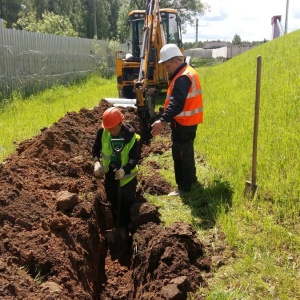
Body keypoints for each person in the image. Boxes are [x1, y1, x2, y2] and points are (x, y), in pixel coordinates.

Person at [151, 44, 203, 196]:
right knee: (186, 152)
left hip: (184, 123)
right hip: (188, 122)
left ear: (175, 61)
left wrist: (162, 120)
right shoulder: (187, 72)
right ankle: (191, 180)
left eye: (167, 66)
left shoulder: (182, 78)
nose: (167, 70)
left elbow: (177, 103)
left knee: (180, 154)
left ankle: (184, 188)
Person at [92, 106, 140, 248]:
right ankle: (116, 226)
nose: (111, 131)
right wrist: (96, 163)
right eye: (109, 128)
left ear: (121, 123)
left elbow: (134, 158)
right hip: (110, 177)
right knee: (113, 202)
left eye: (114, 128)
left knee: (126, 204)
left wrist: (125, 170)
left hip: (128, 178)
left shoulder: (130, 136)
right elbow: (95, 149)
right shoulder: (103, 132)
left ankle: (126, 230)